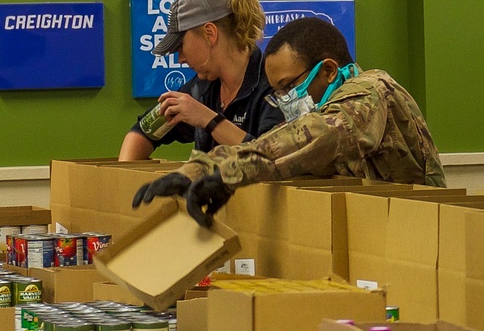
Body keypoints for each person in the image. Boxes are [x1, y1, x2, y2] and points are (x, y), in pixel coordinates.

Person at [133, 15, 445, 225]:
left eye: (289, 86)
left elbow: (311, 139)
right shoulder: (320, 108)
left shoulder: (370, 93)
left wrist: (225, 173)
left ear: (328, 71)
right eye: (278, 90)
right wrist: (197, 172)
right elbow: (275, 145)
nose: (285, 98)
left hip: (423, 232)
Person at [119, 0, 283, 162]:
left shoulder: (275, 85)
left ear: (210, 34)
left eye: (181, 46)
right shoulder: (200, 88)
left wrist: (208, 119)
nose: (180, 59)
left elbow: (272, 159)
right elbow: (141, 132)